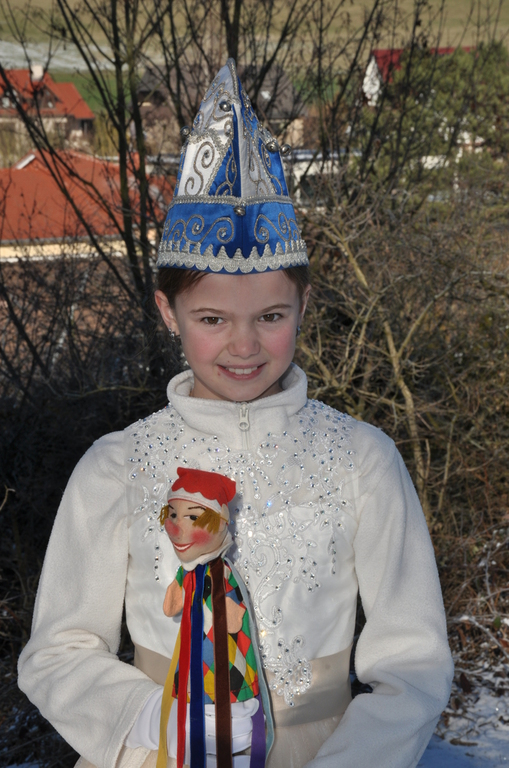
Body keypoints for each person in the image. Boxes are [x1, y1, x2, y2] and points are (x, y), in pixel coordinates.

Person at [18, 59, 453, 768]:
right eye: (213, 319)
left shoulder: (360, 460)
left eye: (271, 316)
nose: (244, 345)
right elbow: (58, 651)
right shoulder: (118, 466)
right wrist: (158, 727)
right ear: (169, 312)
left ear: (304, 305)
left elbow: (414, 662)